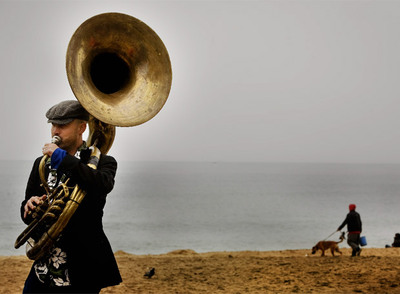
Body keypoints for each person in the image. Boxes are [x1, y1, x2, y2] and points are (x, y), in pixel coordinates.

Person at [20, 100, 122, 293]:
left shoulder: (103, 162)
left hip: (83, 267)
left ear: (81, 127)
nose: (55, 131)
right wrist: (30, 206)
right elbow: (25, 214)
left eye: (63, 125)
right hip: (44, 268)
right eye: (53, 125)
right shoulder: (41, 164)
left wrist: (61, 157)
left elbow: (101, 185)